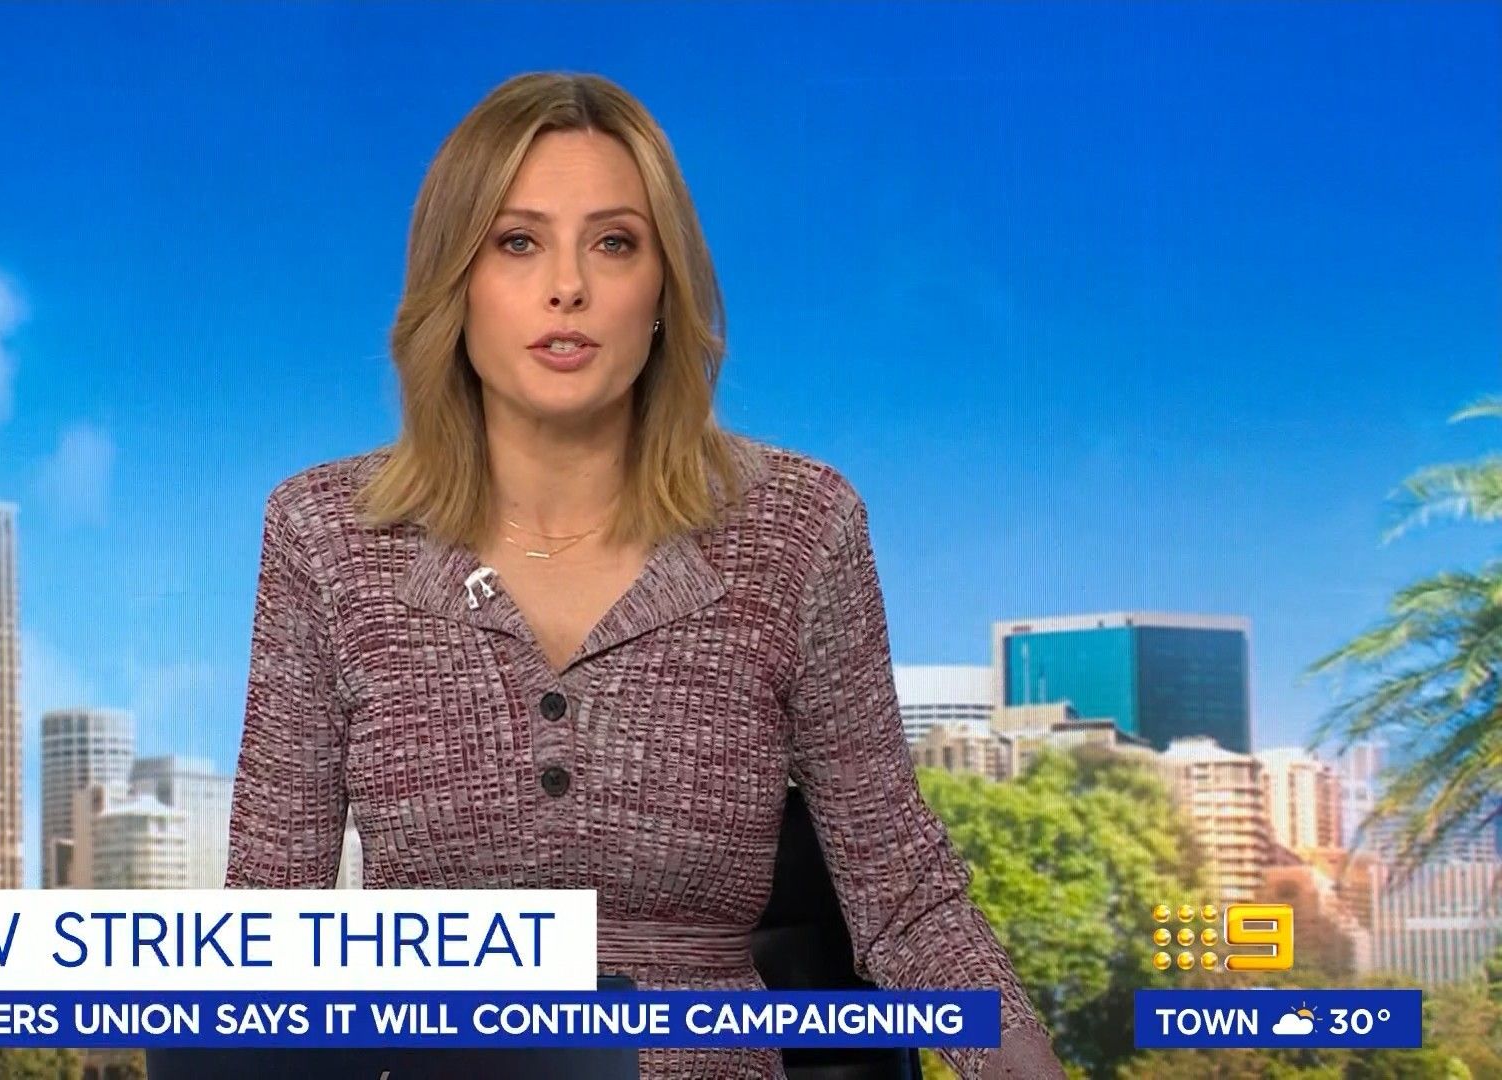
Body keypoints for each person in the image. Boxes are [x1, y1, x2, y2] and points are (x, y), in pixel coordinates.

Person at [225, 71, 1066, 1079]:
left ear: (664, 289)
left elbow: (906, 898)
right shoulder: (325, 533)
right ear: (456, 285)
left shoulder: (798, 528)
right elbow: (267, 924)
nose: (567, 286)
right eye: (517, 242)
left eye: (614, 243)